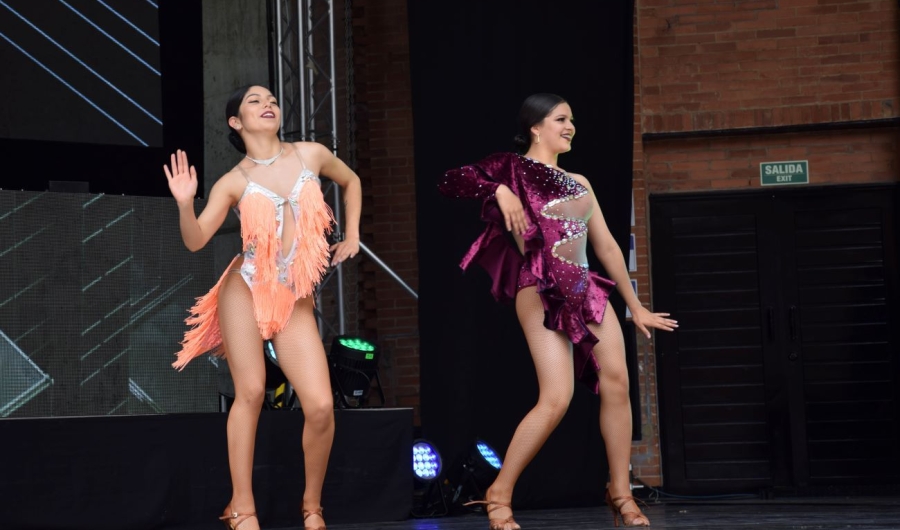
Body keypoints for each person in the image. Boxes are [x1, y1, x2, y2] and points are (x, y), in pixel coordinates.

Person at [438, 93, 676, 529]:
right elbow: (451, 181)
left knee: (618, 384)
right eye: (561, 119)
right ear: (535, 127)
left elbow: (605, 245)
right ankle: (499, 492)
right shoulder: (512, 167)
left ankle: (620, 492)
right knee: (557, 398)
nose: (570, 126)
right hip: (541, 289)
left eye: (572, 120)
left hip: (587, 290)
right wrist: (500, 189)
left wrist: (636, 306)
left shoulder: (581, 182)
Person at [164, 84, 362, 530]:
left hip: (292, 297)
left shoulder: (310, 154)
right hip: (246, 286)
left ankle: (312, 506)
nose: (267, 104)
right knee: (251, 391)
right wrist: (183, 204)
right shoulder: (233, 182)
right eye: (254, 101)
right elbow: (196, 241)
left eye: (271, 99)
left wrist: (351, 234)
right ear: (236, 122)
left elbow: (351, 181)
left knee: (321, 406)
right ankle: (241, 508)